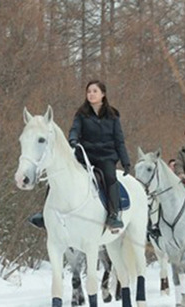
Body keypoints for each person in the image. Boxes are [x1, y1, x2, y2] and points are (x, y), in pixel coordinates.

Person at [68, 80, 131, 232]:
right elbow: (75, 129)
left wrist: (125, 161)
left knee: (110, 177)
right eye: (89, 91)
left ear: (103, 94)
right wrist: (73, 139)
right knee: (64, 171)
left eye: (94, 91)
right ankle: (46, 213)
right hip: (85, 155)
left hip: (106, 156)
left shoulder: (113, 115)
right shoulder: (81, 113)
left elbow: (119, 140)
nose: (91, 94)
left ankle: (113, 215)